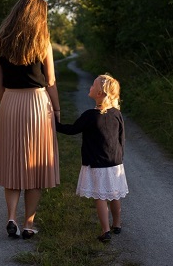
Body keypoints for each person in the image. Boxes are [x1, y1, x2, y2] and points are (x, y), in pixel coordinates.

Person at [0, 0, 60, 240]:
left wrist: (6, 103)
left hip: (9, 102)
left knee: (13, 164)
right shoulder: (42, 43)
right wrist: (57, 110)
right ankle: (28, 224)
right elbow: (50, 82)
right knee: (34, 166)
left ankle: (11, 218)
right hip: (37, 104)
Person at [55, 74, 128, 243]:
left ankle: (105, 230)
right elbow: (121, 138)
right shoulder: (117, 114)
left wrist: (53, 124)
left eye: (93, 85)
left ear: (100, 93)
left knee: (100, 197)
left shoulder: (89, 116)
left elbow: (72, 129)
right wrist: (119, 157)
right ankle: (117, 224)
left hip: (96, 163)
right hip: (115, 163)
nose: (90, 87)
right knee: (114, 194)